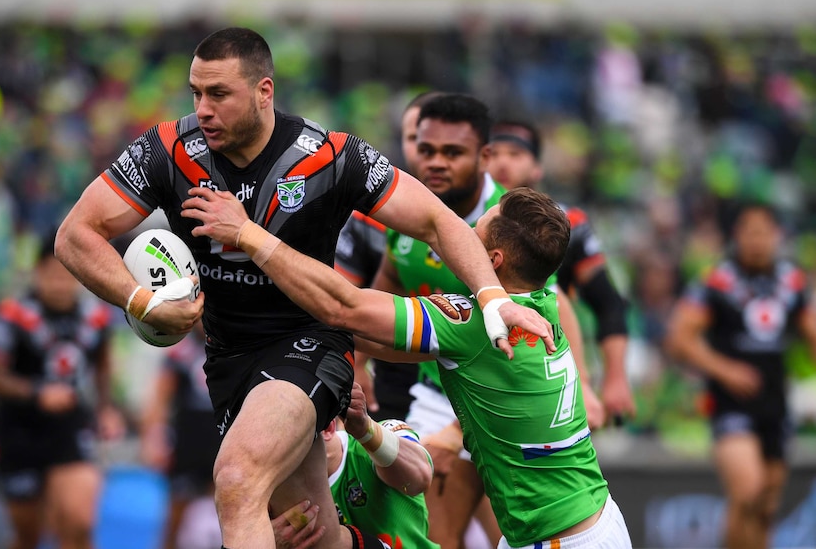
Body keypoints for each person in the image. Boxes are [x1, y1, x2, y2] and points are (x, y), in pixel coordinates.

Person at [54, 27, 555, 549]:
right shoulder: (167, 150)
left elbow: (437, 220)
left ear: (264, 92)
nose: (203, 109)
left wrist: (493, 298)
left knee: (236, 478)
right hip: (228, 360)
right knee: (312, 534)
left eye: (219, 94)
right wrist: (140, 300)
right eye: (196, 93)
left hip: (310, 344)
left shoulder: (330, 157)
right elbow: (75, 235)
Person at [227, 185, 632, 548]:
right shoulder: (540, 298)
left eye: (474, 232)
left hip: (560, 538)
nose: (461, 239)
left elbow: (345, 308)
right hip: (592, 518)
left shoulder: (473, 324)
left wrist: (248, 235)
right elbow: (372, 338)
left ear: (493, 260)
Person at [368, 93, 601, 548]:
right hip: (441, 383)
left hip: (490, 379)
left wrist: (586, 382)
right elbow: (387, 284)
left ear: (484, 158)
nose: (434, 162)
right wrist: (357, 361)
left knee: (481, 525)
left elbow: (552, 307)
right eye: (424, 148)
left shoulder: (509, 218)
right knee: (461, 529)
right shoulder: (411, 211)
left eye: (451, 153)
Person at [665, 202, 816, 549]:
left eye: (764, 232)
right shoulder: (717, 281)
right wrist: (725, 369)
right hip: (731, 404)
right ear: (737, 236)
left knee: (766, 506)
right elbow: (679, 338)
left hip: (775, 405)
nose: (757, 240)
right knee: (748, 491)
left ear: (777, 236)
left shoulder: (791, 282)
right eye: (750, 231)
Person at [0, 233, 125, 549]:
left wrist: (106, 409)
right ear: (37, 272)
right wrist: (36, 393)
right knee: (29, 536)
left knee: (79, 523)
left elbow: (103, 367)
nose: (60, 284)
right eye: (52, 274)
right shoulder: (11, 317)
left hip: (69, 429)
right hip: (18, 432)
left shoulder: (95, 319)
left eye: (66, 275)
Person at [483, 118, 635, 423]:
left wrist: (615, 379)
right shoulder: (463, 222)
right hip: (478, 363)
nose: (502, 163)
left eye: (514, 154)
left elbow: (608, 302)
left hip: (548, 365)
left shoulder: (569, 224)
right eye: (493, 154)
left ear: (537, 168)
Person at [336, 90, 442, 422]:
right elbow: (339, 300)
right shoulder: (366, 219)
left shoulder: (491, 220)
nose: (431, 154)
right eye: (416, 138)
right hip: (393, 373)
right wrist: (356, 362)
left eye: (445, 144)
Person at [271, 382, 439, 549]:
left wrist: (365, 430)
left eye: (292, 437)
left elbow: (420, 477)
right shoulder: (269, 482)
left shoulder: (374, 444)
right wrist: (269, 540)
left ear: (328, 429)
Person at [139, 321, 221, 549]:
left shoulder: (236, 350)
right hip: (188, 447)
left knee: (231, 514)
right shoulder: (181, 353)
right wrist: (154, 439)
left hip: (226, 445)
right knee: (175, 520)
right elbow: (159, 400)